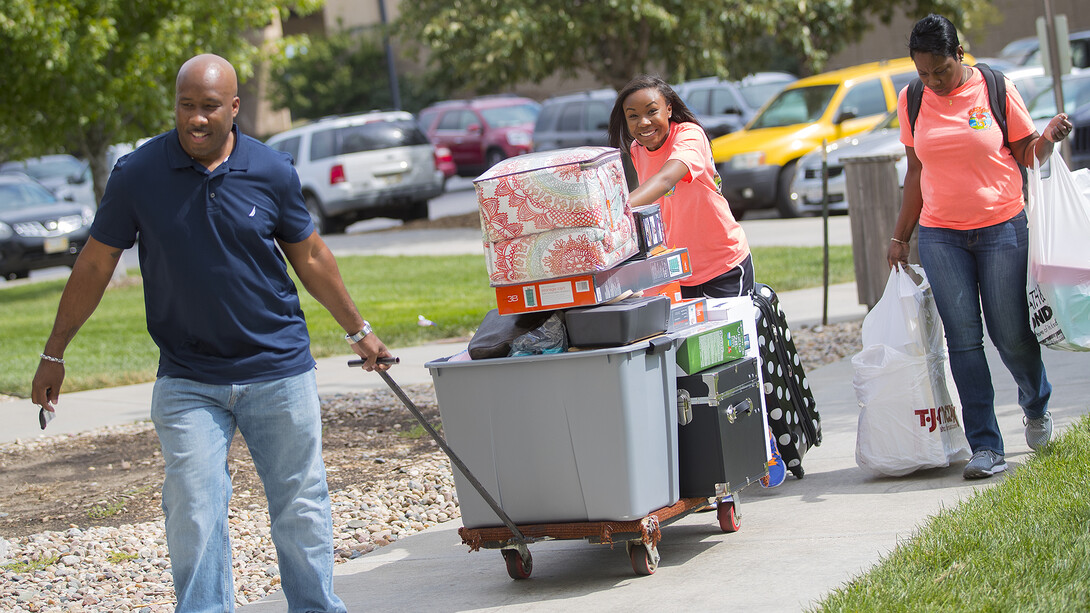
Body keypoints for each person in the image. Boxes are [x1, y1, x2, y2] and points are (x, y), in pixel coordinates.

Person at [30, 54, 393, 612]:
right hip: (188, 378)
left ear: (234, 108)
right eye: (185, 106)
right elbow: (97, 263)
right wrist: (54, 352)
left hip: (278, 370)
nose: (195, 120)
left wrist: (358, 331)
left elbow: (312, 255)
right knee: (194, 506)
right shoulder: (138, 174)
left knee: (300, 504)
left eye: (208, 108)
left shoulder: (271, 170)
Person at [887, 15, 1073, 480]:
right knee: (964, 341)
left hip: (1002, 227)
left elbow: (1027, 152)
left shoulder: (994, 86)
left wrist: (1046, 140)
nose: (932, 81)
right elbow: (915, 172)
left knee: (1009, 333)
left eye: (940, 72)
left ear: (959, 56)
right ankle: (986, 447)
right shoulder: (911, 99)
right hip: (939, 234)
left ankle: (1036, 404)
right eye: (923, 73)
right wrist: (900, 235)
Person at [608, 75, 753, 298]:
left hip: (722, 266)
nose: (643, 122)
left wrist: (616, 212)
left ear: (668, 109)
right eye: (633, 116)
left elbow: (665, 180)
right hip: (677, 271)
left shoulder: (689, 135)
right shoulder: (637, 150)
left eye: (651, 111)